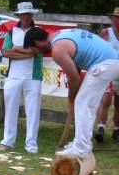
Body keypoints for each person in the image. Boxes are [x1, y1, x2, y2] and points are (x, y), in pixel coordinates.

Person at [24, 27, 119, 157]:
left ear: (37, 42)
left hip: (105, 64)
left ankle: (81, 148)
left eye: (34, 49)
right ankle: (81, 144)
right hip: (110, 61)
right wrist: (73, 97)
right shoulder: (62, 34)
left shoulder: (57, 49)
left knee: (83, 103)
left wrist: (71, 98)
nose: (37, 53)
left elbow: (74, 79)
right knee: (85, 103)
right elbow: (77, 67)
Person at [0, 2, 43, 153]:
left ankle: (31, 144)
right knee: (10, 109)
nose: (26, 17)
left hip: (33, 76)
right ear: (19, 15)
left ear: (31, 15)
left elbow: (36, 51)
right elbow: (5, 52)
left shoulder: (38, 32)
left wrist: (16, 50)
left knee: (33, 111)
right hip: (13, 75)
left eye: (28, 14)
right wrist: (26, 52)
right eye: (23, 14)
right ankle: (7, 142)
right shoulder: (11, 32)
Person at [94, 7, 119, 143]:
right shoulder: (106, 33)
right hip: (109, 70)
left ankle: (116, 129)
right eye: (117, 17)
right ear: (113, 19)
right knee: (106, 100)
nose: (118, 20)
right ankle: (101, 128)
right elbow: (96, 48)